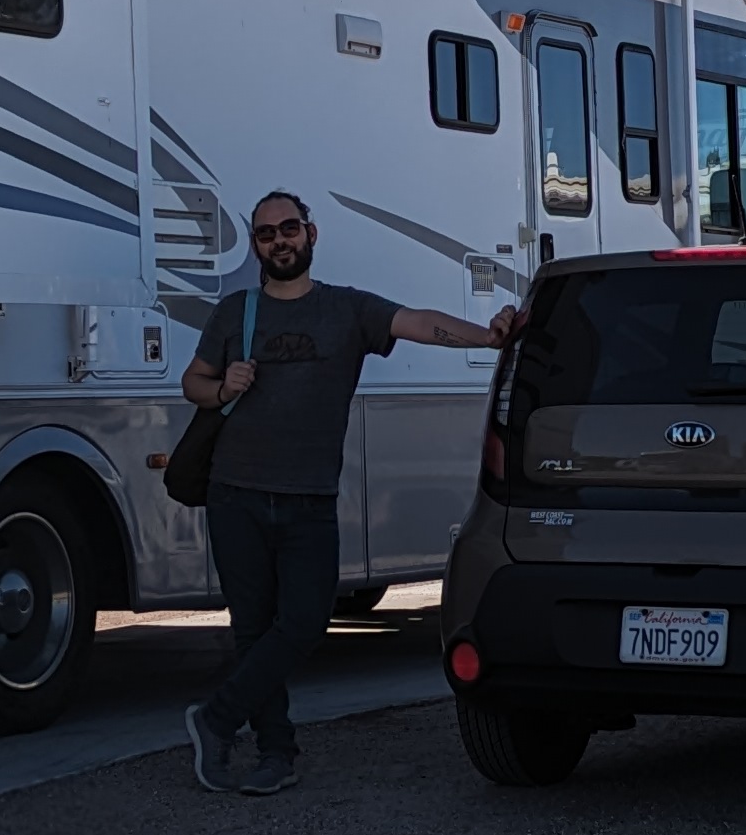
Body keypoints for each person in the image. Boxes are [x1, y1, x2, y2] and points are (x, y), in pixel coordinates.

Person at [181, 192, 520, 793]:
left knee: (306, 624)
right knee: (253, 629)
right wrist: (221, 388)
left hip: (309, 497)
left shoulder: (346, 311)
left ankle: (215, 718)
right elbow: (193, 382)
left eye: (289, 228)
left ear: (311, 235)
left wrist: (489, 339)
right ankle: (275, 753)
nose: (279, 241)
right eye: (266, 234)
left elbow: (417, 323)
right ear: (255, 245)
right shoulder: (236, 312)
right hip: (235, 493)